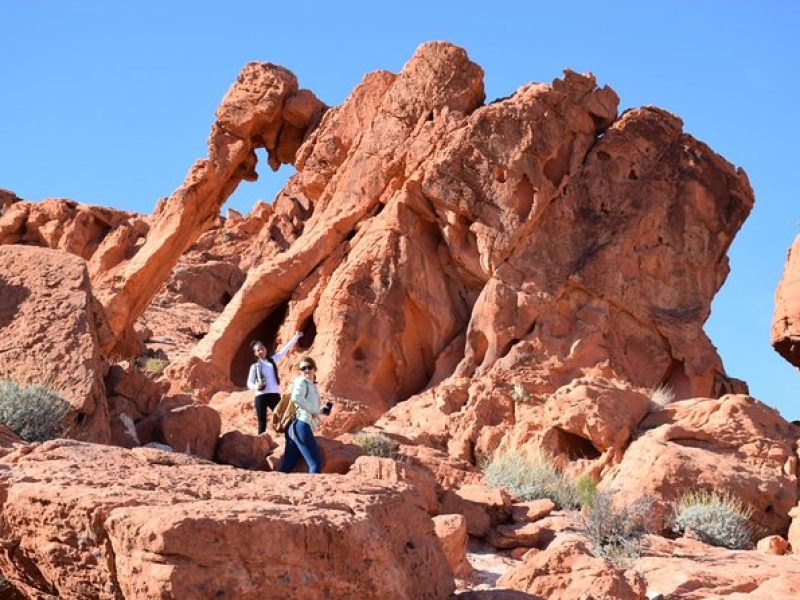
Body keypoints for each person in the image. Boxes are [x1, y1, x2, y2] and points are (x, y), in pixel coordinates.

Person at [279, 356, 329, 474]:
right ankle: (315, 492)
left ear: (314, 368)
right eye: (303, 368)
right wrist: (315, 410)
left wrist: (322, 410)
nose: (306, 370)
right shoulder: (301, 381)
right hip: (300, 426)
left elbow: (308, 407)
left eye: (309, 367)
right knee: (315, 464)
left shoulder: (311, 386)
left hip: (293, 427)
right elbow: (296, 398)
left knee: (287, 466)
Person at [246, 331, 302, 434]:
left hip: (274, 394)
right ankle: (260, 444)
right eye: (258, 350)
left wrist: (296, 337)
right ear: (255, 353)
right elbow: (249, 383)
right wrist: (256, 386)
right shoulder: (254, 366)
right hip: (260, 396)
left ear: (265, 349)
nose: (261, 351)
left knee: (282, 417)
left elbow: (284, 350)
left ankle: (291, 439)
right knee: (262, 422)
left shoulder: (272, 361)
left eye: (262, 348)